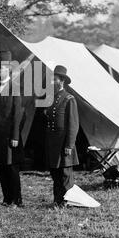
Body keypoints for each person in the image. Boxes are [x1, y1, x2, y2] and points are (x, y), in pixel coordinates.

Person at [0, 51, 25, 208]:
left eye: (0, 69)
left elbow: (17, 115)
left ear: (8, 70)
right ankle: (7, 198)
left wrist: (15, 136)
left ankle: (17, 200)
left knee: (11, 169)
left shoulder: (14, 88)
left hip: (10, 137)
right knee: (0, 168)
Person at [44, 65, 79, 207]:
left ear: (62, 81)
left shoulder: (69, 99)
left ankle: (67, 201)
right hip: (53, 143)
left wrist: (69, 145)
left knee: (65, 175)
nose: (52, 81)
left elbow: (73, 124)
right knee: (55, 174)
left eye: (55, 79)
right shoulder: (52, 98)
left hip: (64, 143)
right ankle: (58, 200)